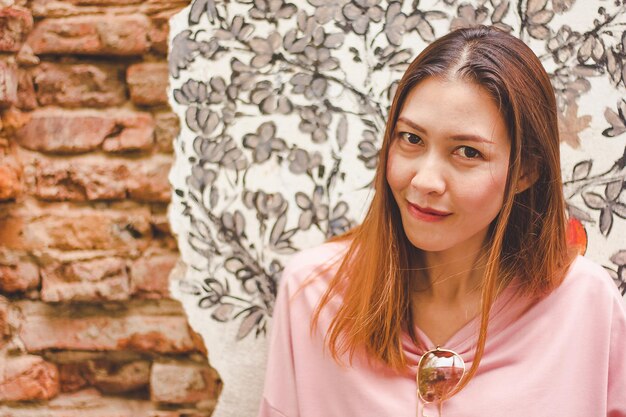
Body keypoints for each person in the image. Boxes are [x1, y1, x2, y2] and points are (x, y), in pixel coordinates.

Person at [257, 26, 626, 417]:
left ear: (525, 171)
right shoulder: (313, 292)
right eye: (411, 139)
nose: (425, 181)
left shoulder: (586, 305)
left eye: (467, 151)